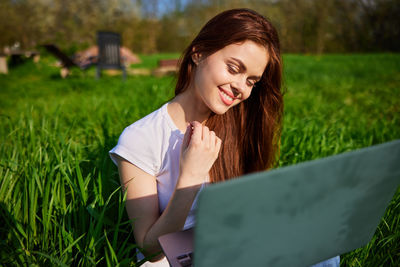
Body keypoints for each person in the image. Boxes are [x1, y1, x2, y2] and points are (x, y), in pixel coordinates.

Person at [109, 8, 339, 267]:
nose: (241, 87)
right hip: (174, 257)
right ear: (199, 53)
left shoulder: (237, 122)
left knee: (324, 242)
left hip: (230, 241)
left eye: (251, 81)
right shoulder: (141, 138)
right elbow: (150, 249)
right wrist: (191, 178)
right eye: (233, 68)